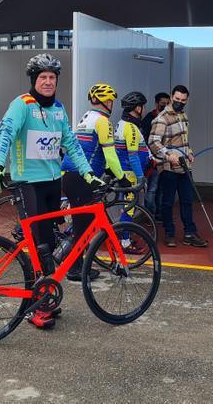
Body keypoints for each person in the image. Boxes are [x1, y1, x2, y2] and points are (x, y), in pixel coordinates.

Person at [0, 53, 102, 330]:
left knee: (47, 243)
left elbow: (71, 144)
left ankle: (45, 296)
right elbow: (5, 134)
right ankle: (35, 307)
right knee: (39, 246)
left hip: (52, 181)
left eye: (52, 77)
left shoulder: (58, 109)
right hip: (28, 182)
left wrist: (87, 173)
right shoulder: (21, 105)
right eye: (43, 77)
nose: (48, 82)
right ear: (34, 80)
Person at [61, 83, 131, 280]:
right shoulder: (102, 121)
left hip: (70, 176)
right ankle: (75, 269)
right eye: (111, 101)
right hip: (84, 178)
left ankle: (72, 259)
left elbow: (90, 150)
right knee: (85, 226)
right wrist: (122, 177)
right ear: (106, 101)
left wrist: (107, 170)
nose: (112, 105)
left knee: (80, 223)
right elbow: (110, 154)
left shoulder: (86, 118)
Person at [147, 85, 207, 248]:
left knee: (187, 200)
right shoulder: (161, 118)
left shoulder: (184, 116)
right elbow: (153, 142)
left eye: (183, 100)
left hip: (184, 166)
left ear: (187, 100)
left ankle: (189, 233)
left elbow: (184, 141)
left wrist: (190, 152)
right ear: (172, 97)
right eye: (177, 99)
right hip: (168, 168)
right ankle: (169, 233)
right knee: (167, 202)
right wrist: (168, 155)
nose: (180, 102)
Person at [114, 91, 151, 253]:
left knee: (126, 207)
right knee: (129, 208)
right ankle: (124, 242)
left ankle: (124, 238)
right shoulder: (131, 128)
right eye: (142, 106)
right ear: (137, 108)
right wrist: (141, 178)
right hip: (130, 174)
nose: (143, 109)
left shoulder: (121, 124)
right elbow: (133, 156)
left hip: (124, 171)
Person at [141, 92, 170, 218]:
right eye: (163, 104)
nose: (166, 106)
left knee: (162, 189)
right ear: (157, 103)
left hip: (165, 160)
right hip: (152, 161)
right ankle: (150, 215)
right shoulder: (149, 118)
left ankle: (159, 213)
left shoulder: (169, 118)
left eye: (168, 104)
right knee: (152, 190)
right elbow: (146, 139)